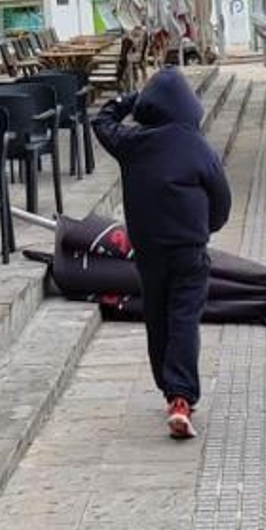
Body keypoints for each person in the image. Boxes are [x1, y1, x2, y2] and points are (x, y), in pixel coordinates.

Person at [93, 68, 231, 439]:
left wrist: (135, 99)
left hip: (148, 250)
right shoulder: (198, 147)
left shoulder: (132, 144)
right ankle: (180, 397)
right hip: (189, 249)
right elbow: (221, 202)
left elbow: (101, 119)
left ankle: (171, 389)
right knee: (184, 316)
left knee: (157, 316)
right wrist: (206, 229)